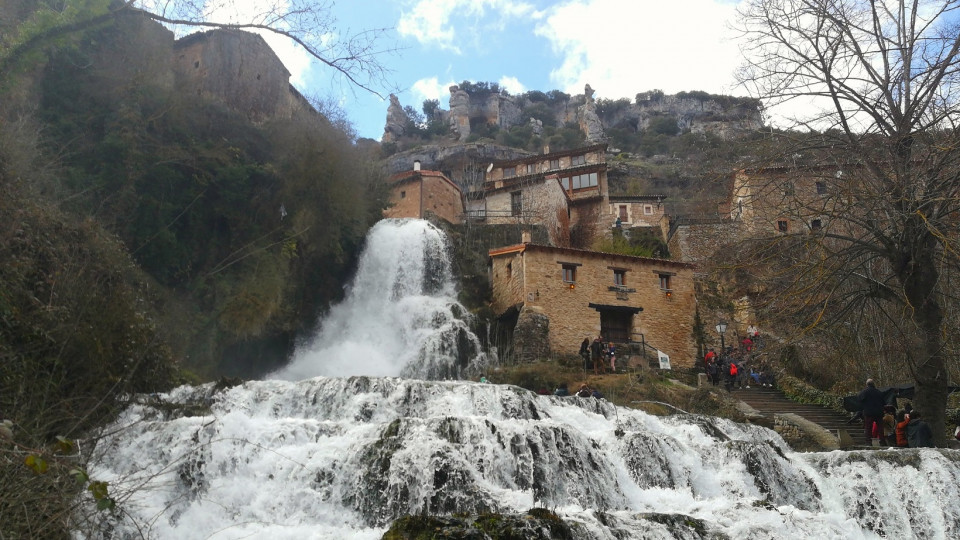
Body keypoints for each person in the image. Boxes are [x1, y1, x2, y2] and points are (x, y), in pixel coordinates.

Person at [858, 379, 885, 444]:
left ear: (867, 384)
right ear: (873, 384)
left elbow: (859, 399)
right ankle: (882, 441)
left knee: (868, 428)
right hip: (879, 413)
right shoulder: (879, 392)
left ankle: (868, 442)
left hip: (869, 413)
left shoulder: (864, 392)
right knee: (880, 428)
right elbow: (884, 402)